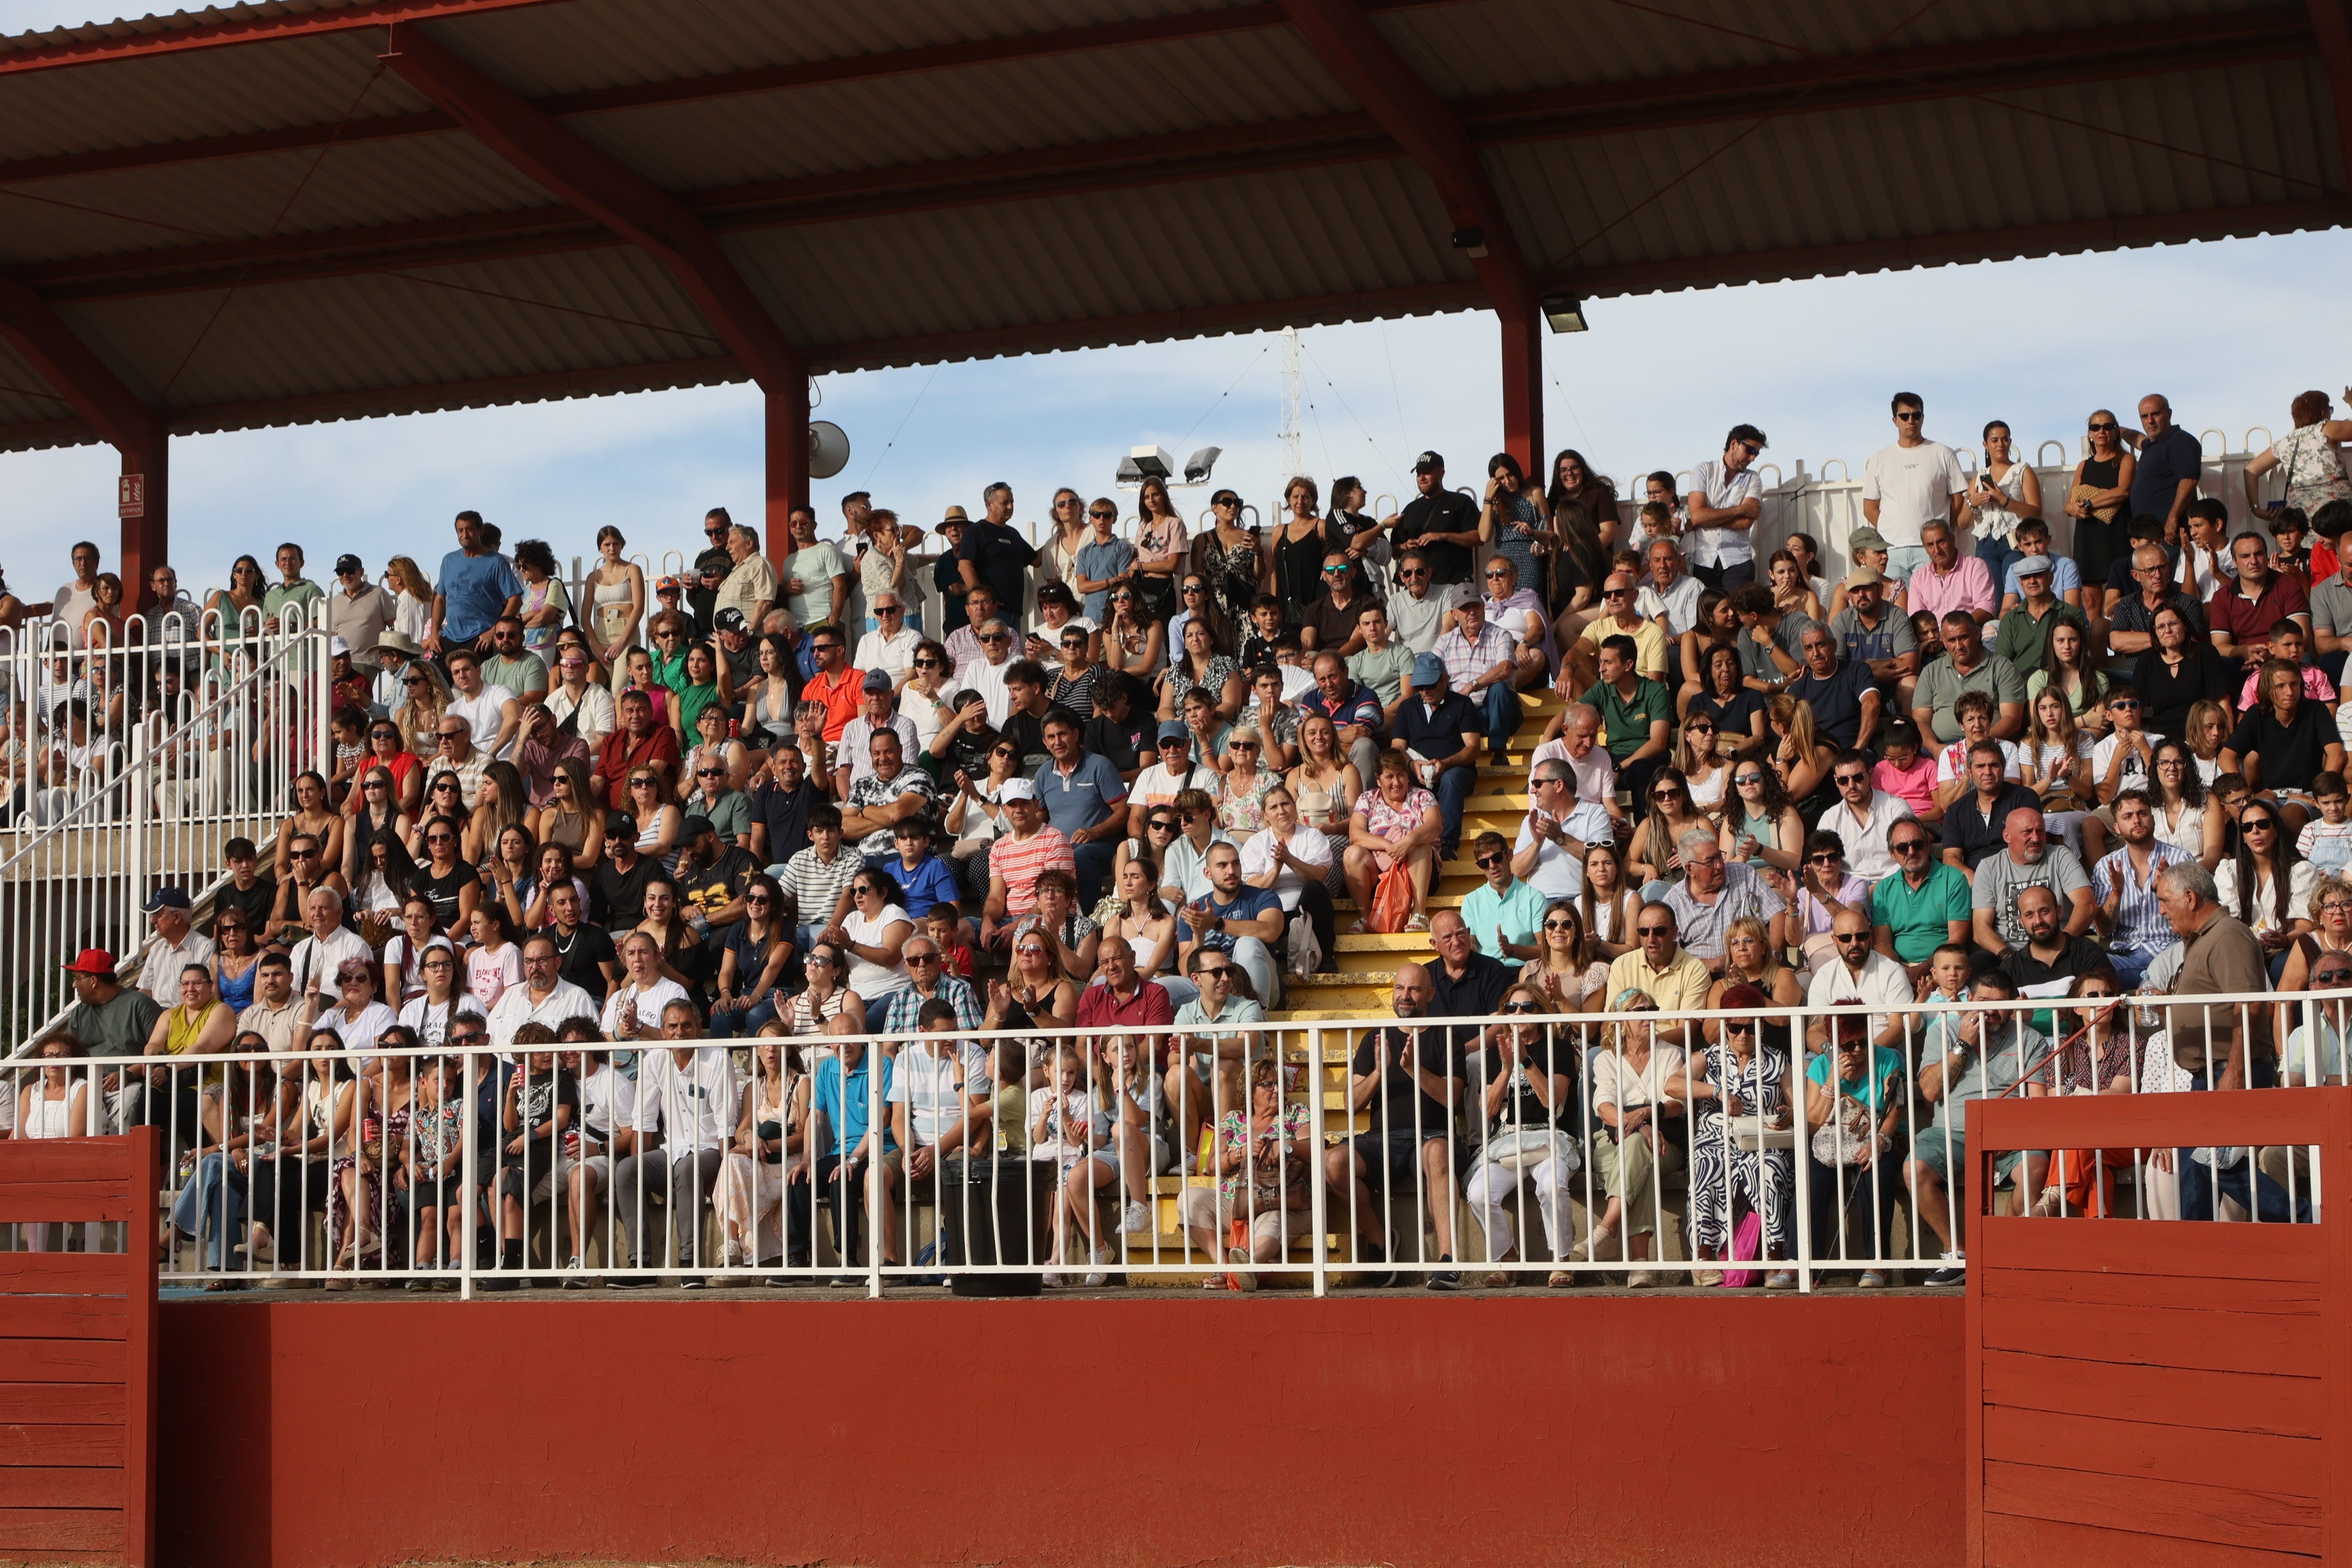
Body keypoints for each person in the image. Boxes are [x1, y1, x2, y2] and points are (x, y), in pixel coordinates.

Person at [2155, 860, 2306, 1222]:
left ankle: (2305, 1221)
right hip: (2210, 1074)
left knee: (2216, 1164)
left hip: (2229, 1070)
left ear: (2190, 898)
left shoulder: (2227, 936)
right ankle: (2198, 1249)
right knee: (2196, 1174)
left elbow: (2249, 1004)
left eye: (2164, 901)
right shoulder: (2205, 938)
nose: (2161, 911)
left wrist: (2234, 1073)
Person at [1328, 963, 1466, 1288]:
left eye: (1414, 989)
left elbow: (1452, 1097)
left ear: (1430, 994)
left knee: (1437, 1152)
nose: (1405, 996)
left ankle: (1448, 1260)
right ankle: (1380, 1240)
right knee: (1333, 1162)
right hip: (1382, 1141)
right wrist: (1378, 1072)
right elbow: (1351, 1103)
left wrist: (1413, 1069)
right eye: (1399, 988)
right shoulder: (1374, 1039)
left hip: (1433, 1137)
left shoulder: (1447, 1035)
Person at [2210, 797, 2317, 979]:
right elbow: (2229, 923)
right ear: (2243, 836)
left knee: (2283, 963)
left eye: (2263, 824)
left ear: (2276, 830)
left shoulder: (2301, 871)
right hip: (2242, 948)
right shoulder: (2228, 871)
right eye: (2247, 827)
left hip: (2287, 949)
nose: (2255, 831)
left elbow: (2305, 927)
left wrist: (2284, 940)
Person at [1972, 805, 2095, 960]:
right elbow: (1981, 929)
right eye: (2028, 832)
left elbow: (2087, 905)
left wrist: (2061, 947)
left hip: (2060, 950)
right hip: (2010, 954)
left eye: (2040, 831)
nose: (2036, 838)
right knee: (1978, 963)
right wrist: (2010, 958)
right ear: (2007, 836)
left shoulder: (2059, 856)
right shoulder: (1989, 867)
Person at [2222, 660, 2344, 808]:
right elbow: (2225, 757)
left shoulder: (2316, 710)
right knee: (2256, 816)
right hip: (2270, 796)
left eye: (2294, 684)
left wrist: (2322, 795)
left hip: (2308, 795)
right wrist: (2248, 795)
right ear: (2268, 689)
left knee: (2291, 813)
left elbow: (2337, 753)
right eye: (2281, 686)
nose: (2290, 692)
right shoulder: (2257, 714)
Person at [1344, 752, 1441, 934]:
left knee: (1420, 844)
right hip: (1380, 871)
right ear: (1378, 780)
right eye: (1389, 777)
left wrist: (1408, 842)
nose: (1396, 782)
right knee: (1352, 853)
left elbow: (1435, 825)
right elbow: (1355, 834)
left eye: (1401, 775)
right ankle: (1365, 917)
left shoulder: (1422, 796)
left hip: (1419, 871)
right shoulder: (1367, 799)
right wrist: (1388, 845)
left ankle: (1419, 913)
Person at [1914, 611, 2024, 747]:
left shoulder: (2002, 667)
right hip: (1942, 748)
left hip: (1990, 746)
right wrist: (1936, 749)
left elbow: (2012, 719)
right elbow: (1920, 720)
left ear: (1977, 634)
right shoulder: (1931, 672)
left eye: (1964, 637)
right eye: (1952, 640)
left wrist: (1977, 746)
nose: (1959, 646)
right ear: (1943, 640)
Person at [2244, 388, 2352, 524]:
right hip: (2337, 513)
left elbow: (2251, 470)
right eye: (2330, 410)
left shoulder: (2284, 443)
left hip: (2304, 518)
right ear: (2323, 412)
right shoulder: (2325, 429)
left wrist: (2256, 509)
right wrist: (2351, 401)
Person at [1604, 903, 1713, 1034]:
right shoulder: (1621, 965)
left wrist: (1646, 1042)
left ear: (1674, 933)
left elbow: (1685, 1031)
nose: (1651, 939)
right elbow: (1609, 1023)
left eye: (1659, 931)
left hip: (1670, 1046)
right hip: (1628, 1043)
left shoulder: (1695, 969)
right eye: (1644, 932)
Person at [1386, 451, 1481, 591]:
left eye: (1426, 472)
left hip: (1454, 587)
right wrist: (1407, 546)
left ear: (1441, 473)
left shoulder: (1461, 502)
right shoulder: (1410, 509)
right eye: (1418, 473)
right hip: (1418, 591)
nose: (1421, 477)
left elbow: (1478, 538)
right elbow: (1394, 551)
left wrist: (1442, 536)